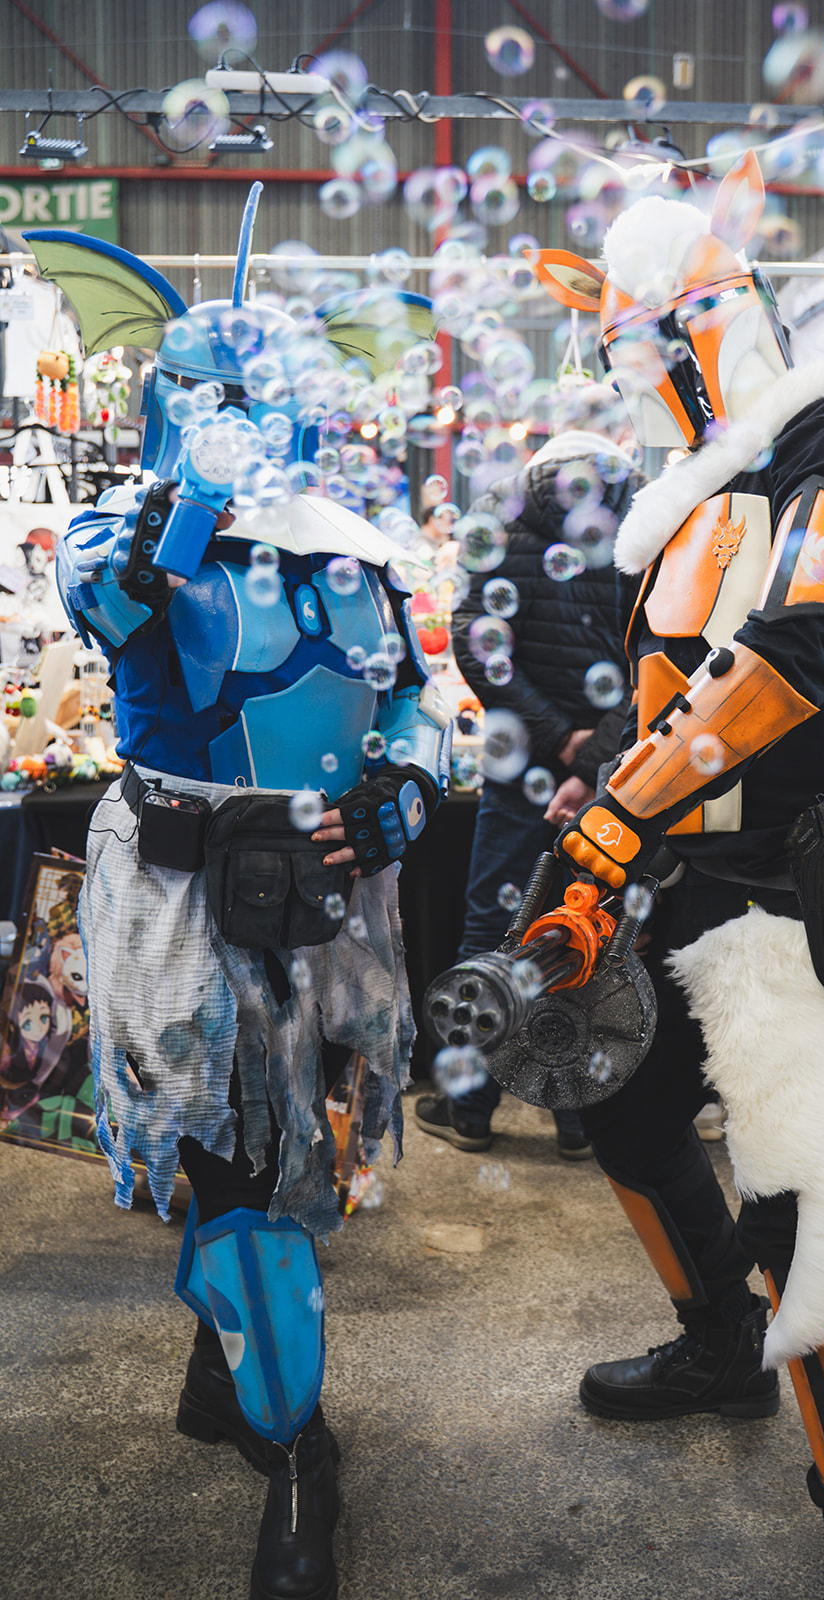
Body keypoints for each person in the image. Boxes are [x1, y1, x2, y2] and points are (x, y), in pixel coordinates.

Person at [532, 152, 824, 1599]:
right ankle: (718, 1347)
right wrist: (610, 785)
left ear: (705, 323)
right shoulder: (714, 478)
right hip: (691, 879)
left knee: (805, 1213)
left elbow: (792, 654)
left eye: (636, 342)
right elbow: (681, 681)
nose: (625, 378)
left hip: (799, 900)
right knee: (621, 1105)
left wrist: (620, 811)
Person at [33, 196, 450, 1600]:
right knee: (232, 1172)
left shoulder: (356, 552)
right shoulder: (120, 534)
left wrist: (404, 786)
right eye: (225, 402)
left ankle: (223, 1383)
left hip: (327, 898)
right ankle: (299, 1452)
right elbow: (117, 606)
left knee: (282, 1150)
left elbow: (412, 703)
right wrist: (192, 494)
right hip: (183, 897)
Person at [414, 402, 643, 1160]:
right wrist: (588, 751)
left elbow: (478, 647)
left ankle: (469, 1107)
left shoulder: (502, 517)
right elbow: (654, 662)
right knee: (589, 932)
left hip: (518, 766)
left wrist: (553, 739)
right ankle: (576, 1117)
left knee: (494, 925)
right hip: (611, 775)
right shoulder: (640, 527)